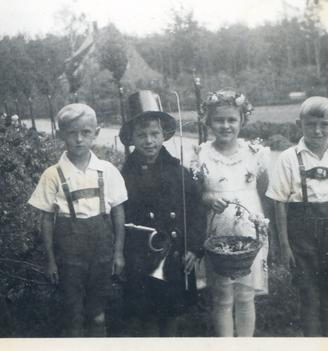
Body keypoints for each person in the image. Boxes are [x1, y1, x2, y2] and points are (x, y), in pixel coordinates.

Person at [28, 103, 127, 337]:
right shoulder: (53, 174)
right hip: (69, 256)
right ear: (60, 134)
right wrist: (51, 261)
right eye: (72, 133)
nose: (79, 139)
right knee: (72, 314)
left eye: (86, 132)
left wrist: (118, 253)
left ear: (97, 133)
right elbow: (46, 220)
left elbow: (119, 213)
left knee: (98, 313)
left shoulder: (107, 170)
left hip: (102, 253)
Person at [266, 96, 328, 337]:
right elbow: (279, 204)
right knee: (307, 295)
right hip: (301, 237)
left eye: (324, 124)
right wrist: (284, 244)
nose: (317, 131)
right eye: (310, 124)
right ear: (299, 124)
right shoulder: (288, 158)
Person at [119, 90, 206, 337]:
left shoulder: (178, 172)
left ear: (164, 135)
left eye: (155, 134)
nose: (149, 140)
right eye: (142, 135)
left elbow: (196, 209)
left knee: (170, 313)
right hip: (139, 256)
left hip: (174, 253)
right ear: (132, 138)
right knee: (147, 317)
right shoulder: (124, 175)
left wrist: (193, 246)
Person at [190, 89, 271, 337]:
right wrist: (209, 199)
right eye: (219, 120)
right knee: (223, 297)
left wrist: (267, 232)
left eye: (232, 120)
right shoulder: (201, 153)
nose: (225, 126)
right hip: (217, 233)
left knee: (246, 296)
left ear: (242, 120)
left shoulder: (255, 153)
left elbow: (265, 192)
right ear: (208, 122)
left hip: (250, 231)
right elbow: (195, 196)